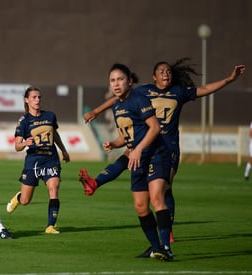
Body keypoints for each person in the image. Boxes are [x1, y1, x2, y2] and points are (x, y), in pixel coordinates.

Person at [79, 59, 246, 242]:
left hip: (168, 145)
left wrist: (229, 79)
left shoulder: (178, 92)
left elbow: (205, 89)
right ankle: (95, 183)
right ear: (154, 77)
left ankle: (168, 231)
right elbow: (118, 97)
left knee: (165, 188)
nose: (165, 74)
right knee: (127, 155)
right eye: (161, 71)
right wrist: (96, 111)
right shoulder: (144, 91)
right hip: (148, 138)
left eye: (168, 71)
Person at [104, 63, 173, 260]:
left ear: (130, 81)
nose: (116, 84)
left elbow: (155, 127)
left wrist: (139, 149)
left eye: (120, 79)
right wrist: (114, 144)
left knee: (157, 198)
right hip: (137, 159)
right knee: (141, 206)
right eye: (112, 80)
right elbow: (125, 138)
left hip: (156, 154)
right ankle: (155, 247)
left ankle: (166, 248)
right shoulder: (117, 106)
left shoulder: (138, 99)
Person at [6, 86, 70, 234]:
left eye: (39, 97)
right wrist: (24, 143)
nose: (37, 100)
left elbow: (54, 134)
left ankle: (50, 226)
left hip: (51, 159)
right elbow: (17, 146)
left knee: (54, 189)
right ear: (26, 100)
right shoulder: (24, 121)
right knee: (25, 201)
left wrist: (64, 150)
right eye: (34, 97)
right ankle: (19, 197)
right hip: (33, 161)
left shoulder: (50, 116)